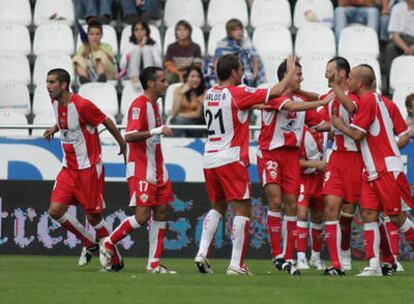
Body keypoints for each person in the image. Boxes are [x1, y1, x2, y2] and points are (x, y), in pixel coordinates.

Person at [193, 54, 297, 275]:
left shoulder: (209, 94)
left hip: (209, 157)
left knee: (217, 206)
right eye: (241, 69)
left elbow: (246, 105)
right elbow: (276, 92)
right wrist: (289, 74)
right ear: (233, 73)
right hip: (231, 158)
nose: (243, 73)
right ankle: (236, 264)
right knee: (243, 210)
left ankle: (202, 252)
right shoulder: (238, 92)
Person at [331, 64, 414, 276]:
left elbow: (357, 135)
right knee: (368, 214)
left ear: (359, 83)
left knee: (396, 218)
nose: (347, 82)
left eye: (350, 79)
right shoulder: (372, 99)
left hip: (386, 168)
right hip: (372, 170)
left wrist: (338, 125)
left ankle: (386, 261)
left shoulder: (368, 99)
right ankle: (374, 264)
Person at [43, 68, 126, 271]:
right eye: (47, 82)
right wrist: (55, 128)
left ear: (63, 85)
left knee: (94, 217)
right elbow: (66, 121)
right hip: (68, 168)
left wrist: (122, 144)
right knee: (55, 211)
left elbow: (106, 120)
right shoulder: (55, 102)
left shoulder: (82, 105)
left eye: (52, 82)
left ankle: (115, 259)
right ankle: (89, 242)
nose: (48, 86)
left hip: (88, 168)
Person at [256, 59, 331, 275]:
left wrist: (342, 124)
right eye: (298, 74)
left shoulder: (301, 102)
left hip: (291, 158)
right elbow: (292, 107)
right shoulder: (271, 95)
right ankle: (277, 254)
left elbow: (319, 125)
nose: (302, 78)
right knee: (276, 201)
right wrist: (321, 103)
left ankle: (288, 257)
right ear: (287, 76)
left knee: (291, 206)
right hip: (270, 154)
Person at [99, 67, 176, 273]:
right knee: (142, 217)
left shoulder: (155, 106)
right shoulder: (139, 105)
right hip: (141, 168)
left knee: (161, 212)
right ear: (151, 84)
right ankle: (108, 242)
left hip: (159, 167)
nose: (166, 84)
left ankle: (153, 264)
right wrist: (156, 130)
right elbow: (129, 135)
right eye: (162, 80)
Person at [302, 57, 363, 275]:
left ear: (343, 74)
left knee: (365, 212)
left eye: (330, 71)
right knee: (331, 208)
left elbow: (351, 108)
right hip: (336, 159)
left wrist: (335, 122)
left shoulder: (356, 95)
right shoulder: (330, 98)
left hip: (357, 158)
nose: (326, 75)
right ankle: (337, 264)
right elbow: (319, 105)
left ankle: (385, 260)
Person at [296, 126, 327, 270]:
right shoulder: (298, 128)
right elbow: (293, 161)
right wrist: (314, 164)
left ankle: (315, 258)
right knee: (301, 215)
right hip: (303, 178)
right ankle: (301, 258)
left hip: (319, 177)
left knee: (318, 217)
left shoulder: (323, 124)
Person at [213, 18, 265, 87]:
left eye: (240, 29)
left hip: (247, 75)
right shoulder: (222, 44)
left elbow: (255, 59)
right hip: (228, 77)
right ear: (229, 32)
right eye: (235, 30)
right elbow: (216, 63)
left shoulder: (247, 43)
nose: (239, 32)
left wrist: (254, 76)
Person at [383, 0, 414, 92]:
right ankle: (390, 86)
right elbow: (394, 35)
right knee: (390, 49)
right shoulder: (397, 8)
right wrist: (406, 49)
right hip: (402, 40)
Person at [119, 20, 162, 85]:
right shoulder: (129, 45)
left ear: (146, 31)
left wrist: (150, 50)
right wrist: (136, 48)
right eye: (136, 30)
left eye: (142, 29)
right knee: (136, 49)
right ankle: (135, 78)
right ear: (133, 32)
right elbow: (122, 65)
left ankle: (148, 77)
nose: (139, 32)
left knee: (146, 49)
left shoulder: (153, 45)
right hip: (132, 75)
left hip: (150, 75)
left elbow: (159, 65)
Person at [73, 20, 116, 84]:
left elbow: (111, 60)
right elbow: (78, 62)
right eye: (92, 34)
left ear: (101, 35)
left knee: (99, 54)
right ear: (88, 35)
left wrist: (98, 49)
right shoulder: (83, 47)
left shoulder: (107, 46)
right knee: (77, 58)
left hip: (107, 73)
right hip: (89, 73)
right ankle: (84, 79)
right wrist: (85, 52)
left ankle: (101, 77)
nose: (95, 37)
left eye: (97, 34)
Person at [169, 65, 205, 138]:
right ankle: (176, 145)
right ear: (187, 78)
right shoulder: (178, 90)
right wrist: (182, 93)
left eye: (198, 77)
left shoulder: (203, 92)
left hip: (197, 123)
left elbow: (197, 114)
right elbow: (174, 112)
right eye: (192, 76)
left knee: (178, 120)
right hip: (179, 122)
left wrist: (181, 115)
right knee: (177, 121)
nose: (196, 79)